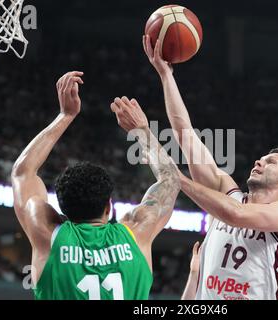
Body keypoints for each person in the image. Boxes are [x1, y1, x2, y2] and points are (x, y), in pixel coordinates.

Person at [143, 36, 278, 300]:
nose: (259, 161)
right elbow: (186, 134)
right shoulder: (226, 193)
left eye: (270, 161)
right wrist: (165, 75)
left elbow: (237, 215)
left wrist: (178, 179)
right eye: (261, 158)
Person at [11, 71, 180, 300]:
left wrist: (65, 115)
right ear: (109, 207)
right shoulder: (137, 230)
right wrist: (142, 131)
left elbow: (23, 172)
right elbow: (171, 179)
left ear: (62, 210)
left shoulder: (46, 233)